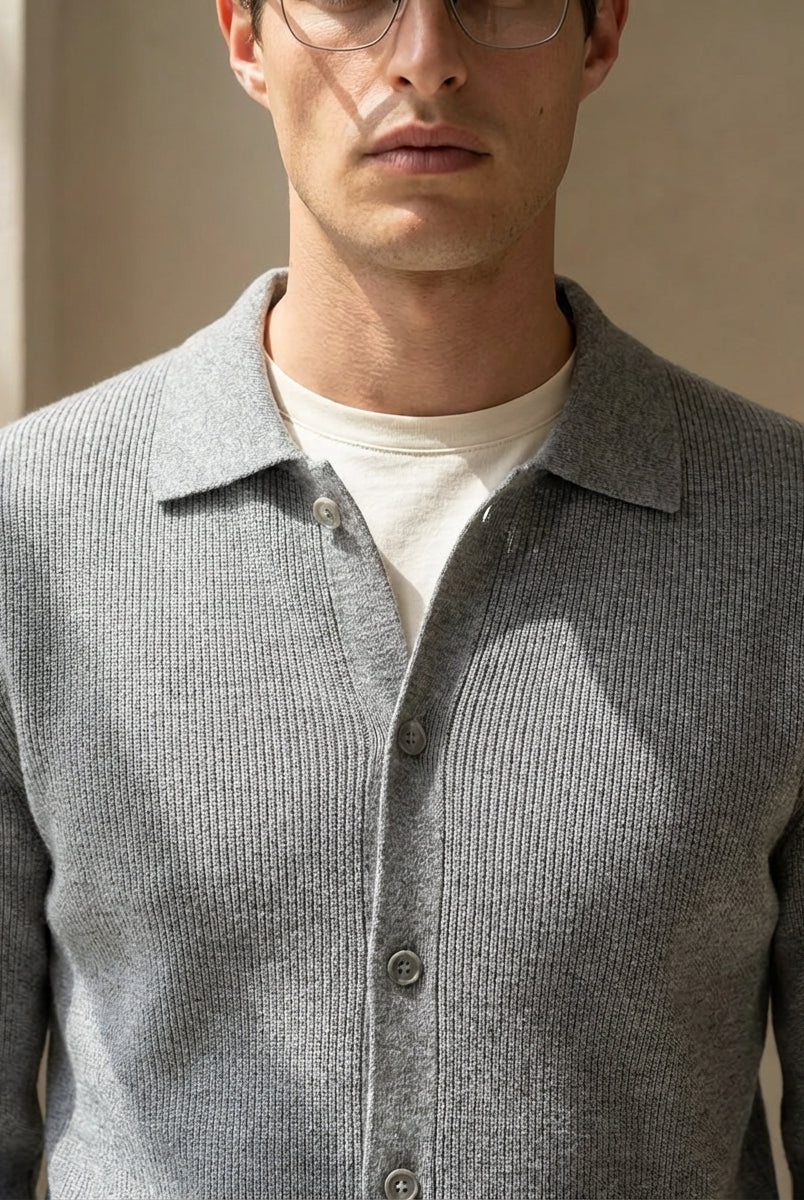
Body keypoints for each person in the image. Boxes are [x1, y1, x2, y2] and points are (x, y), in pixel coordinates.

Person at [1, 0, 802, 1194]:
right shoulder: (31, 528)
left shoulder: (780, 536)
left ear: (600, 34)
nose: (426, 55)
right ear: (242, 34)